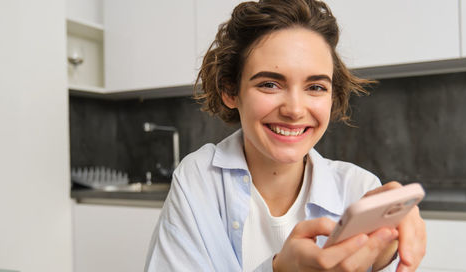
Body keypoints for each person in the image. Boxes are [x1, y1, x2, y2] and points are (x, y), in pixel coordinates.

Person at [145, 0, 426, 271]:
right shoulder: (198, 180)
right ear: (231, 91)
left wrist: (381, 261)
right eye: (269, 84)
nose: (294, 109)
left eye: (315, 87)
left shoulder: (359, 190)